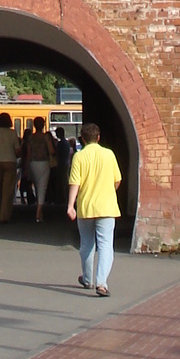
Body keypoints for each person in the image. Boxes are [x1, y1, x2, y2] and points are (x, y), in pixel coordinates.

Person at [66, 122, 121, 295]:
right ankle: (102, 283)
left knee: (87, 244)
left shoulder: (79, 156)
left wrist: (70, 205)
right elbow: (117, 180)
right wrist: (108, 192)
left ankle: (88, 279)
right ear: (98, 138)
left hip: (86, 206)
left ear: (82, 138)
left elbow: (75, 182)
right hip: (107, 207)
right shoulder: (109, 154)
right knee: (105, 245)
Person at [0, 111, 21, 223]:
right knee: (8, 190)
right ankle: (4, 216)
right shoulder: (12, 133)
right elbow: (17, 151)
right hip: (10, 162)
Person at [25, 115, 57, 222]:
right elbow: (51, 151)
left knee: (37, 186)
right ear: (43, 125)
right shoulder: (46, 137)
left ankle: (40, 212)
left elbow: (28, 154)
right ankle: (38, 213)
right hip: (44, 163)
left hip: (33, 164)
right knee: (42, 187)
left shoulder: (30, 138)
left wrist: (26, 166)